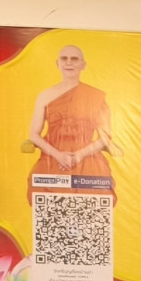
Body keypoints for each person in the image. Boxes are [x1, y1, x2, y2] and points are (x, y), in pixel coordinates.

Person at [27, 43, 114, 191]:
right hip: (52, 156)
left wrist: (79, 156)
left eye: (74, 59)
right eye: (64, 58)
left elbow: (105, 137)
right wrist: (58, 155)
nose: (68, 62)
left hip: (87, 156)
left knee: (95, 191)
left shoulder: (95, 96)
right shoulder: (44, 96)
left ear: (83, 65)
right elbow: (34, 135)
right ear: (57, 64)